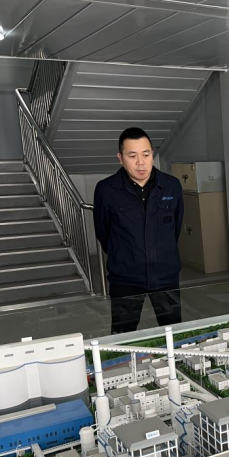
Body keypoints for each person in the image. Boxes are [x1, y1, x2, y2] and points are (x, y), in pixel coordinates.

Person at [93, 127, 184, 334]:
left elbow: (175, 228)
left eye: (146, 154)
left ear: (152, 154)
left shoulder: (171, 186)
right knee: (123, 335)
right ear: (120, 158)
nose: (141, 162)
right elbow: (103, 232)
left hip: (165, 275)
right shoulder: (106, 190)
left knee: (173, 332)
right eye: (132, 156)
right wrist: (123, 255)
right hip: (126, 277)